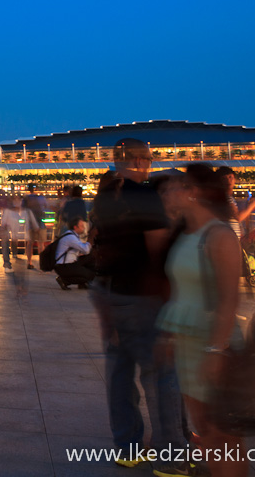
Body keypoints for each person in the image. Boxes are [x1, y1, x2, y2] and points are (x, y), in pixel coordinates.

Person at [90, 138, 189, 474]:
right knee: (161, 377)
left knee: (119, 374)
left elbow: (100, 243)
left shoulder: (105, 196)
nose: (149, 163)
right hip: (142, 296)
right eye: (146, 158)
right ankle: (171, 459)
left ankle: (128, 447)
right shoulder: (144, 194)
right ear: (131, 159)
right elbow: (157, 249)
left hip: (110, 293)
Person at [157, 164, 247, 477]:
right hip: (188, 342)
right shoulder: (185, 234)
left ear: (194, 192)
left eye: (177, 186)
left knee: (224, 434)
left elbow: (228, 298)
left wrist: (215, 351)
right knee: (205, 430)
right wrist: (170, 335)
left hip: (213, 343)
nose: (168, 192)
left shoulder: (219, 235)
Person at [216, 166, 255, 241]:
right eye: (224, 179)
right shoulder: (225, 197)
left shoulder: (224, 197)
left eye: (230, 177)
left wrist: (251, 205)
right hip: (228, 240)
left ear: (235, 179)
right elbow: (238, 217)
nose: (228, 181)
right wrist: (252, 205)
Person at [53, 216, 96, 289]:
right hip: (64, 266)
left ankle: (82, 283)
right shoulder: (71, 238)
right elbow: (86, 249)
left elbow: (83, 251)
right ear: (75, 227)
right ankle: (65, 280)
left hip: (69, 263)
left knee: (91, 258)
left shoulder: (72, 235)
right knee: (91, 275)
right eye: (82, 226)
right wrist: (91, 237)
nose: (84, 228)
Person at [0, 197, 37, 271]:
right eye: (15, 201)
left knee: (9, 244)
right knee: (7, 245)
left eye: (19, 201)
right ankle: (8, 263)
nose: (17, 203)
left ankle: (10, 262)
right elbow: (4, 223)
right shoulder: (11, 211)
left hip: (17, 233)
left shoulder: (25, 211)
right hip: (11, 233)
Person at [23, 184, 49, 266]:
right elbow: (46, 206)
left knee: (30, 243)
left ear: (28, 189)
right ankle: (41, 262)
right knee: (41, 243)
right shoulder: (41, 198)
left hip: (30, 223)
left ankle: (29, 262)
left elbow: (22, 210)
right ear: (36, 189)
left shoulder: (25, 199)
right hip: (40, 222)